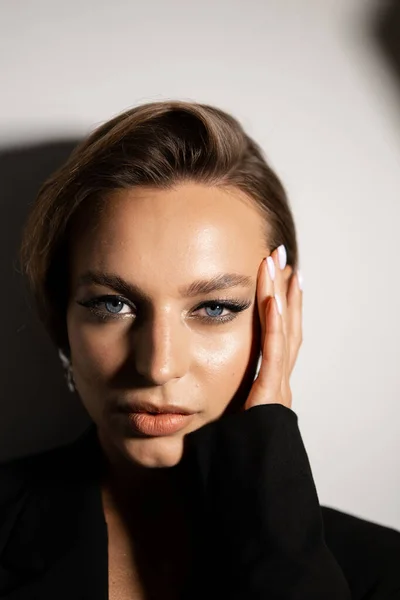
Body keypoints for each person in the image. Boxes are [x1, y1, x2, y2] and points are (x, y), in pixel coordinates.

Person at [1, 100, 399, 600]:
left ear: (279, 315)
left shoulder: (382, 572)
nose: (158, 365)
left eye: (213, 308)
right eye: (112, 303)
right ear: (62, 317)